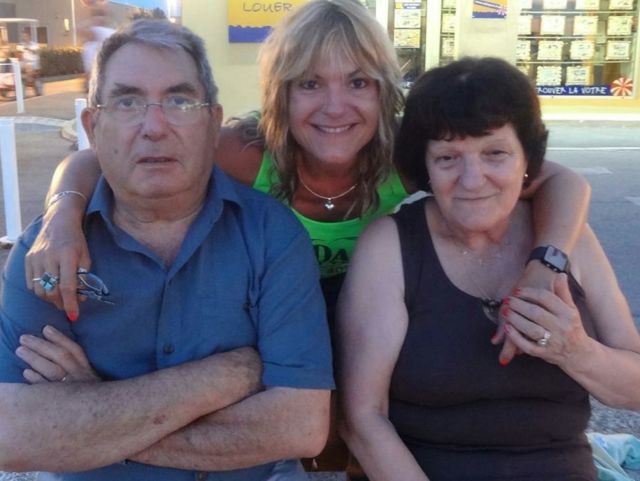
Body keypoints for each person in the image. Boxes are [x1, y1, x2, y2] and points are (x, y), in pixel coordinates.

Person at [24, 0, 590, 472]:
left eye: (358, 82)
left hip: (368, 339)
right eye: (310, 84)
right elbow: (103, 157)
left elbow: (558, 181)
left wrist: (546, 265)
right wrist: (61, 215)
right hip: (275, 333)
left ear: (384, 91)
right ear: (281, 94)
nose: (335, 107)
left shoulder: (405, 158)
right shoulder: (245, 155)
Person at [0, 19, 333, 481]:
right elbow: (14, 434)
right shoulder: (47, 252)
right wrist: (227, 375)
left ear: (212, 124)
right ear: (93, 127)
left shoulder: (272, 235)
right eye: (127, 101)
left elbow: (300, 426)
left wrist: (95, 416)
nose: (154, 127)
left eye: (179, 101)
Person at [337, 57, 640, 481]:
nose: (473, 179)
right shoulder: (391, 246)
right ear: (425, 168)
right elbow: (362, 417)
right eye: (447, 158)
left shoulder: (569, 241)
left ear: (528, 158)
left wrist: (575, 351)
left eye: (495, 153)